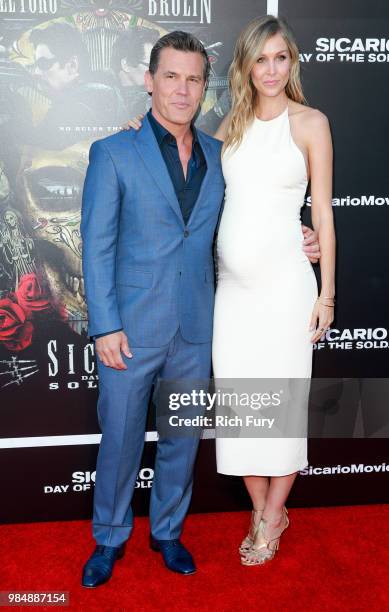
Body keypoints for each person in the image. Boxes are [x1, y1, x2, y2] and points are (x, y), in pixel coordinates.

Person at [83, 29, 320, 587]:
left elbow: (257, 212)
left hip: (197, 327)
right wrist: (105, 325)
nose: (183, 90)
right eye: (171, 76)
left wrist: (300, 237)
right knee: (119, 440)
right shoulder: (115, 150)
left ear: (204, 85)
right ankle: (108, 539)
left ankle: (167, 532)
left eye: (194, 78)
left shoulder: (222, 152)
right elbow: (95, 246)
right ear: (149, 82)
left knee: (181, 440)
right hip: (130, 329)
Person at [212, 15, 335, 566]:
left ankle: (269, 518)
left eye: (280, 57)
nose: (270, 68)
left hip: (287, 288)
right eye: (260, 58)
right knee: (241, 409)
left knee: (282, 407)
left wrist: (326, 291)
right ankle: (267, 510)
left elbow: (324, 213)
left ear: (293, 62)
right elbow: (184, 176)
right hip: (231, 295)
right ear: (247, 64)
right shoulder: (228, 126)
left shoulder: (310, 122)